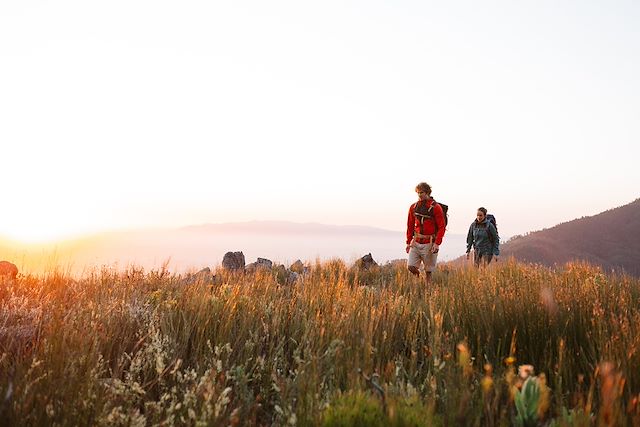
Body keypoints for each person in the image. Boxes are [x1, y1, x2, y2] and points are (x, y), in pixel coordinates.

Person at [406, 182, 446, 284]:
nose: (419, 195)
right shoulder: (413, 207)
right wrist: (408, 242)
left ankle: (428, 293)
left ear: (427, 192)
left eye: (422, 192)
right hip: (416, 242)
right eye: (418, 193)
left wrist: (437, 243)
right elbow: (410, 225)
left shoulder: (436, 207)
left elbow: (442, 226)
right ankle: (418, 276)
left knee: (428, 271)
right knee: (410, 267)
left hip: (430, 242)